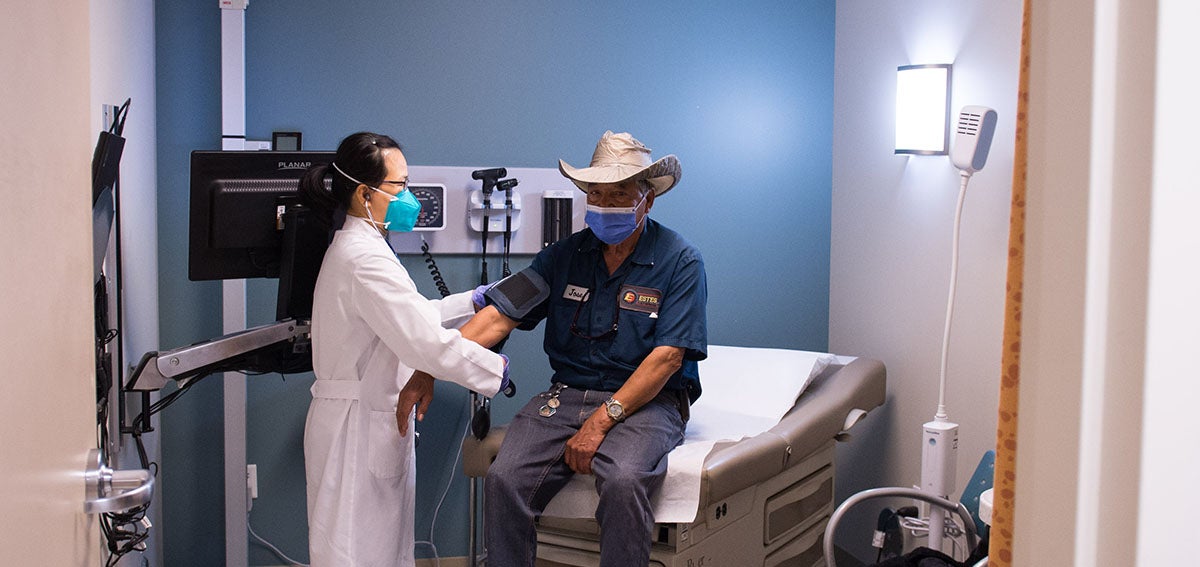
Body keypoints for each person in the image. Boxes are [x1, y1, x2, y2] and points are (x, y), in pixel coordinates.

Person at [461, 131, 708, 566]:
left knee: (624, 481)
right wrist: (427, 365)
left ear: (646, 201)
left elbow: (668, 358)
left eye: (619, 195)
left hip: (646, 402)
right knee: (503, 479)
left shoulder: (680, 260)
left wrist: (598, 423)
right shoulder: (562, 256)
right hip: (567, 393)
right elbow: (499, 316)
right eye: (597, 194)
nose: (606, 204)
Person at [297, 131, 509, 566]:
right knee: (355, 552)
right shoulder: (363, 258)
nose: (410, 197)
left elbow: (408, 316)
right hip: (352, 431)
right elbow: (423, 341)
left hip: (366, 419)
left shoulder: (366, 248)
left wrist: (470, 300)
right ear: (364, 192)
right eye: (401, 186)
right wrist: (493, 370)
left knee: (380, 549)